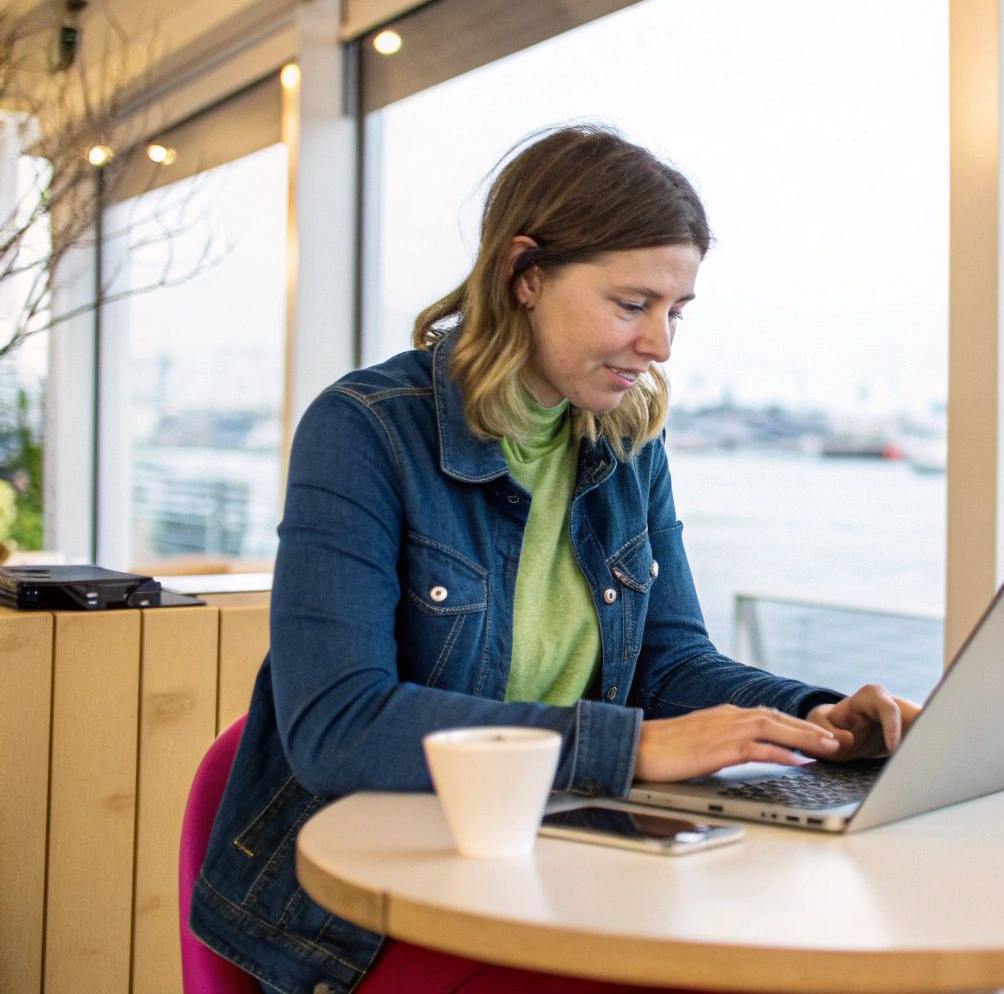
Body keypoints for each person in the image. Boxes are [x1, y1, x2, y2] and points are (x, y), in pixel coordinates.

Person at [191, 124, 922, 994]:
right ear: (525, 274)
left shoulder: (627, 443)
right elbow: (336, 725)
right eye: (631, 304)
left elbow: (673, 662)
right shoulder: (365, 429)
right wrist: (630, 749)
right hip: (362, 913)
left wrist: (814, 719)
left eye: (675, 311)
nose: (660, 345)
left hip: (553, 866)